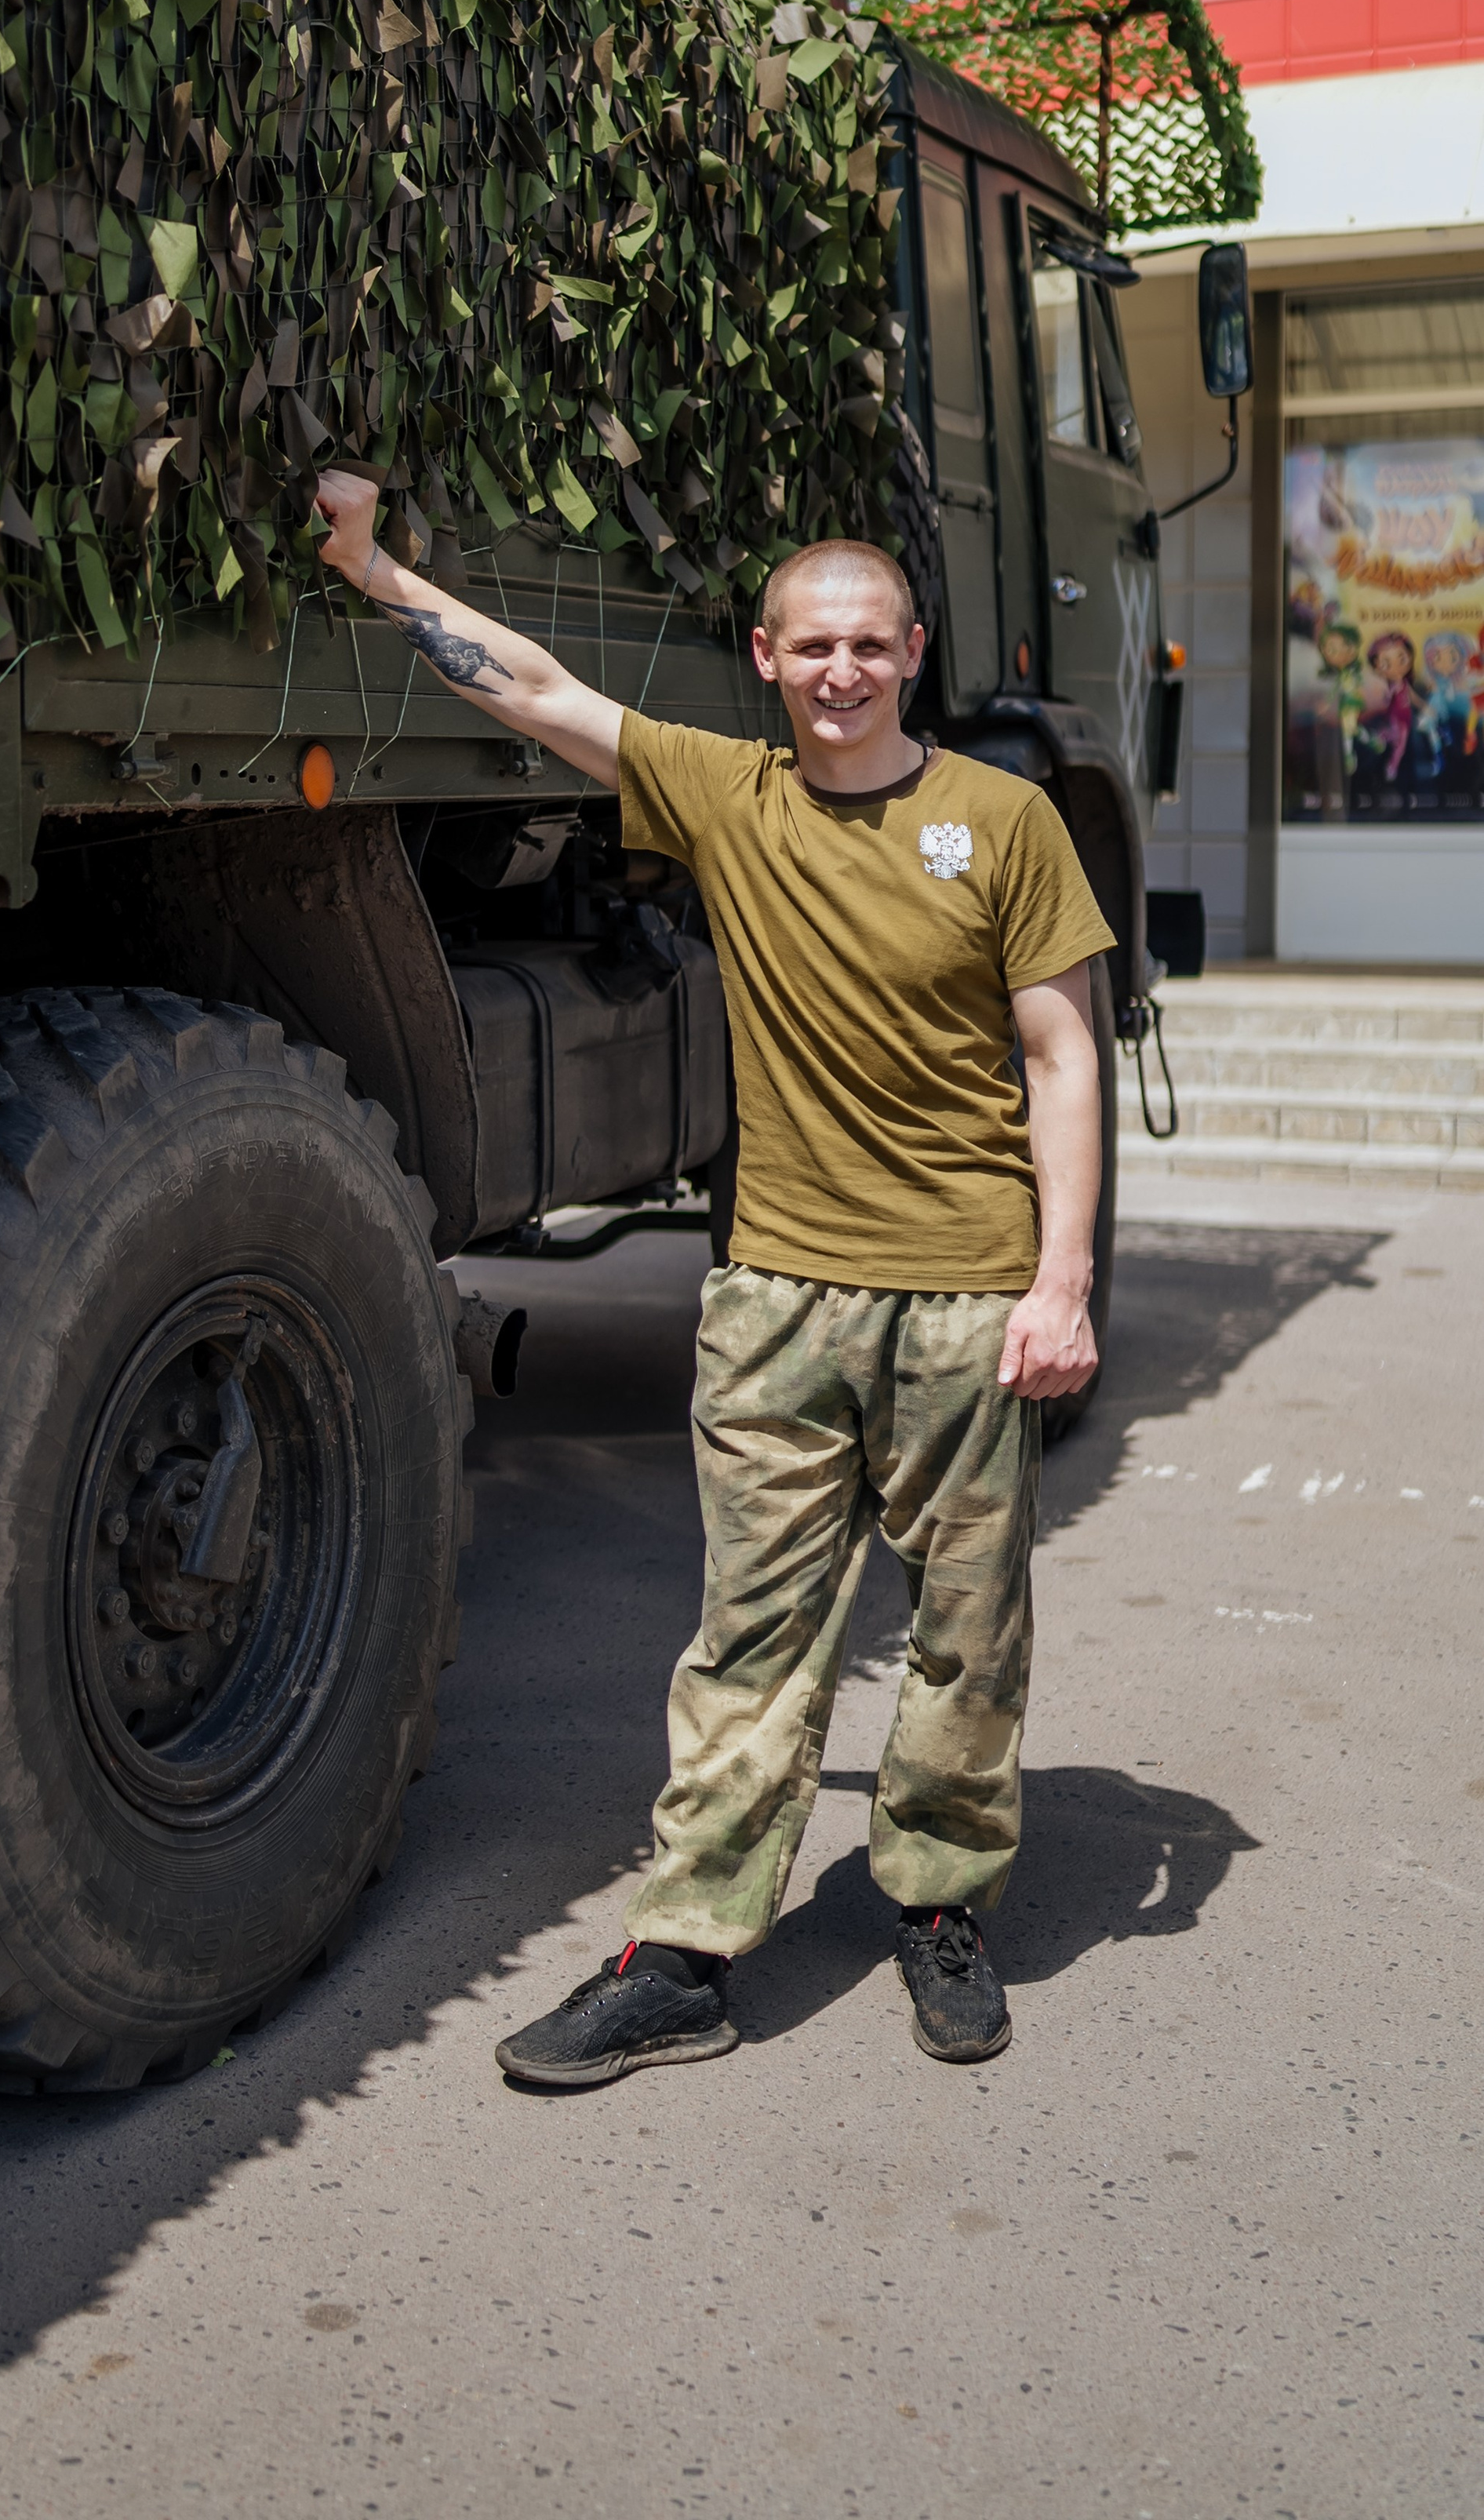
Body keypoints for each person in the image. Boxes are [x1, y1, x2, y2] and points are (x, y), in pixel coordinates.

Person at [315, 470, 1111, 2077]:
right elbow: (532, 687)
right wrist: (368, 566)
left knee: (967, 1625)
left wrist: (1061, 1282)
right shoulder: (721, 796)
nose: (839, 672)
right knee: (749, 1630)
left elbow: (1062, 1057)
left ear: (910, 652)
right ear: (763, 655)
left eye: (868, 647)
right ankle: (684, 1951)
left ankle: (937, 1903)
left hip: (965, 1293)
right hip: (774, 1301)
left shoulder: (1002, 820)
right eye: (811, 645)